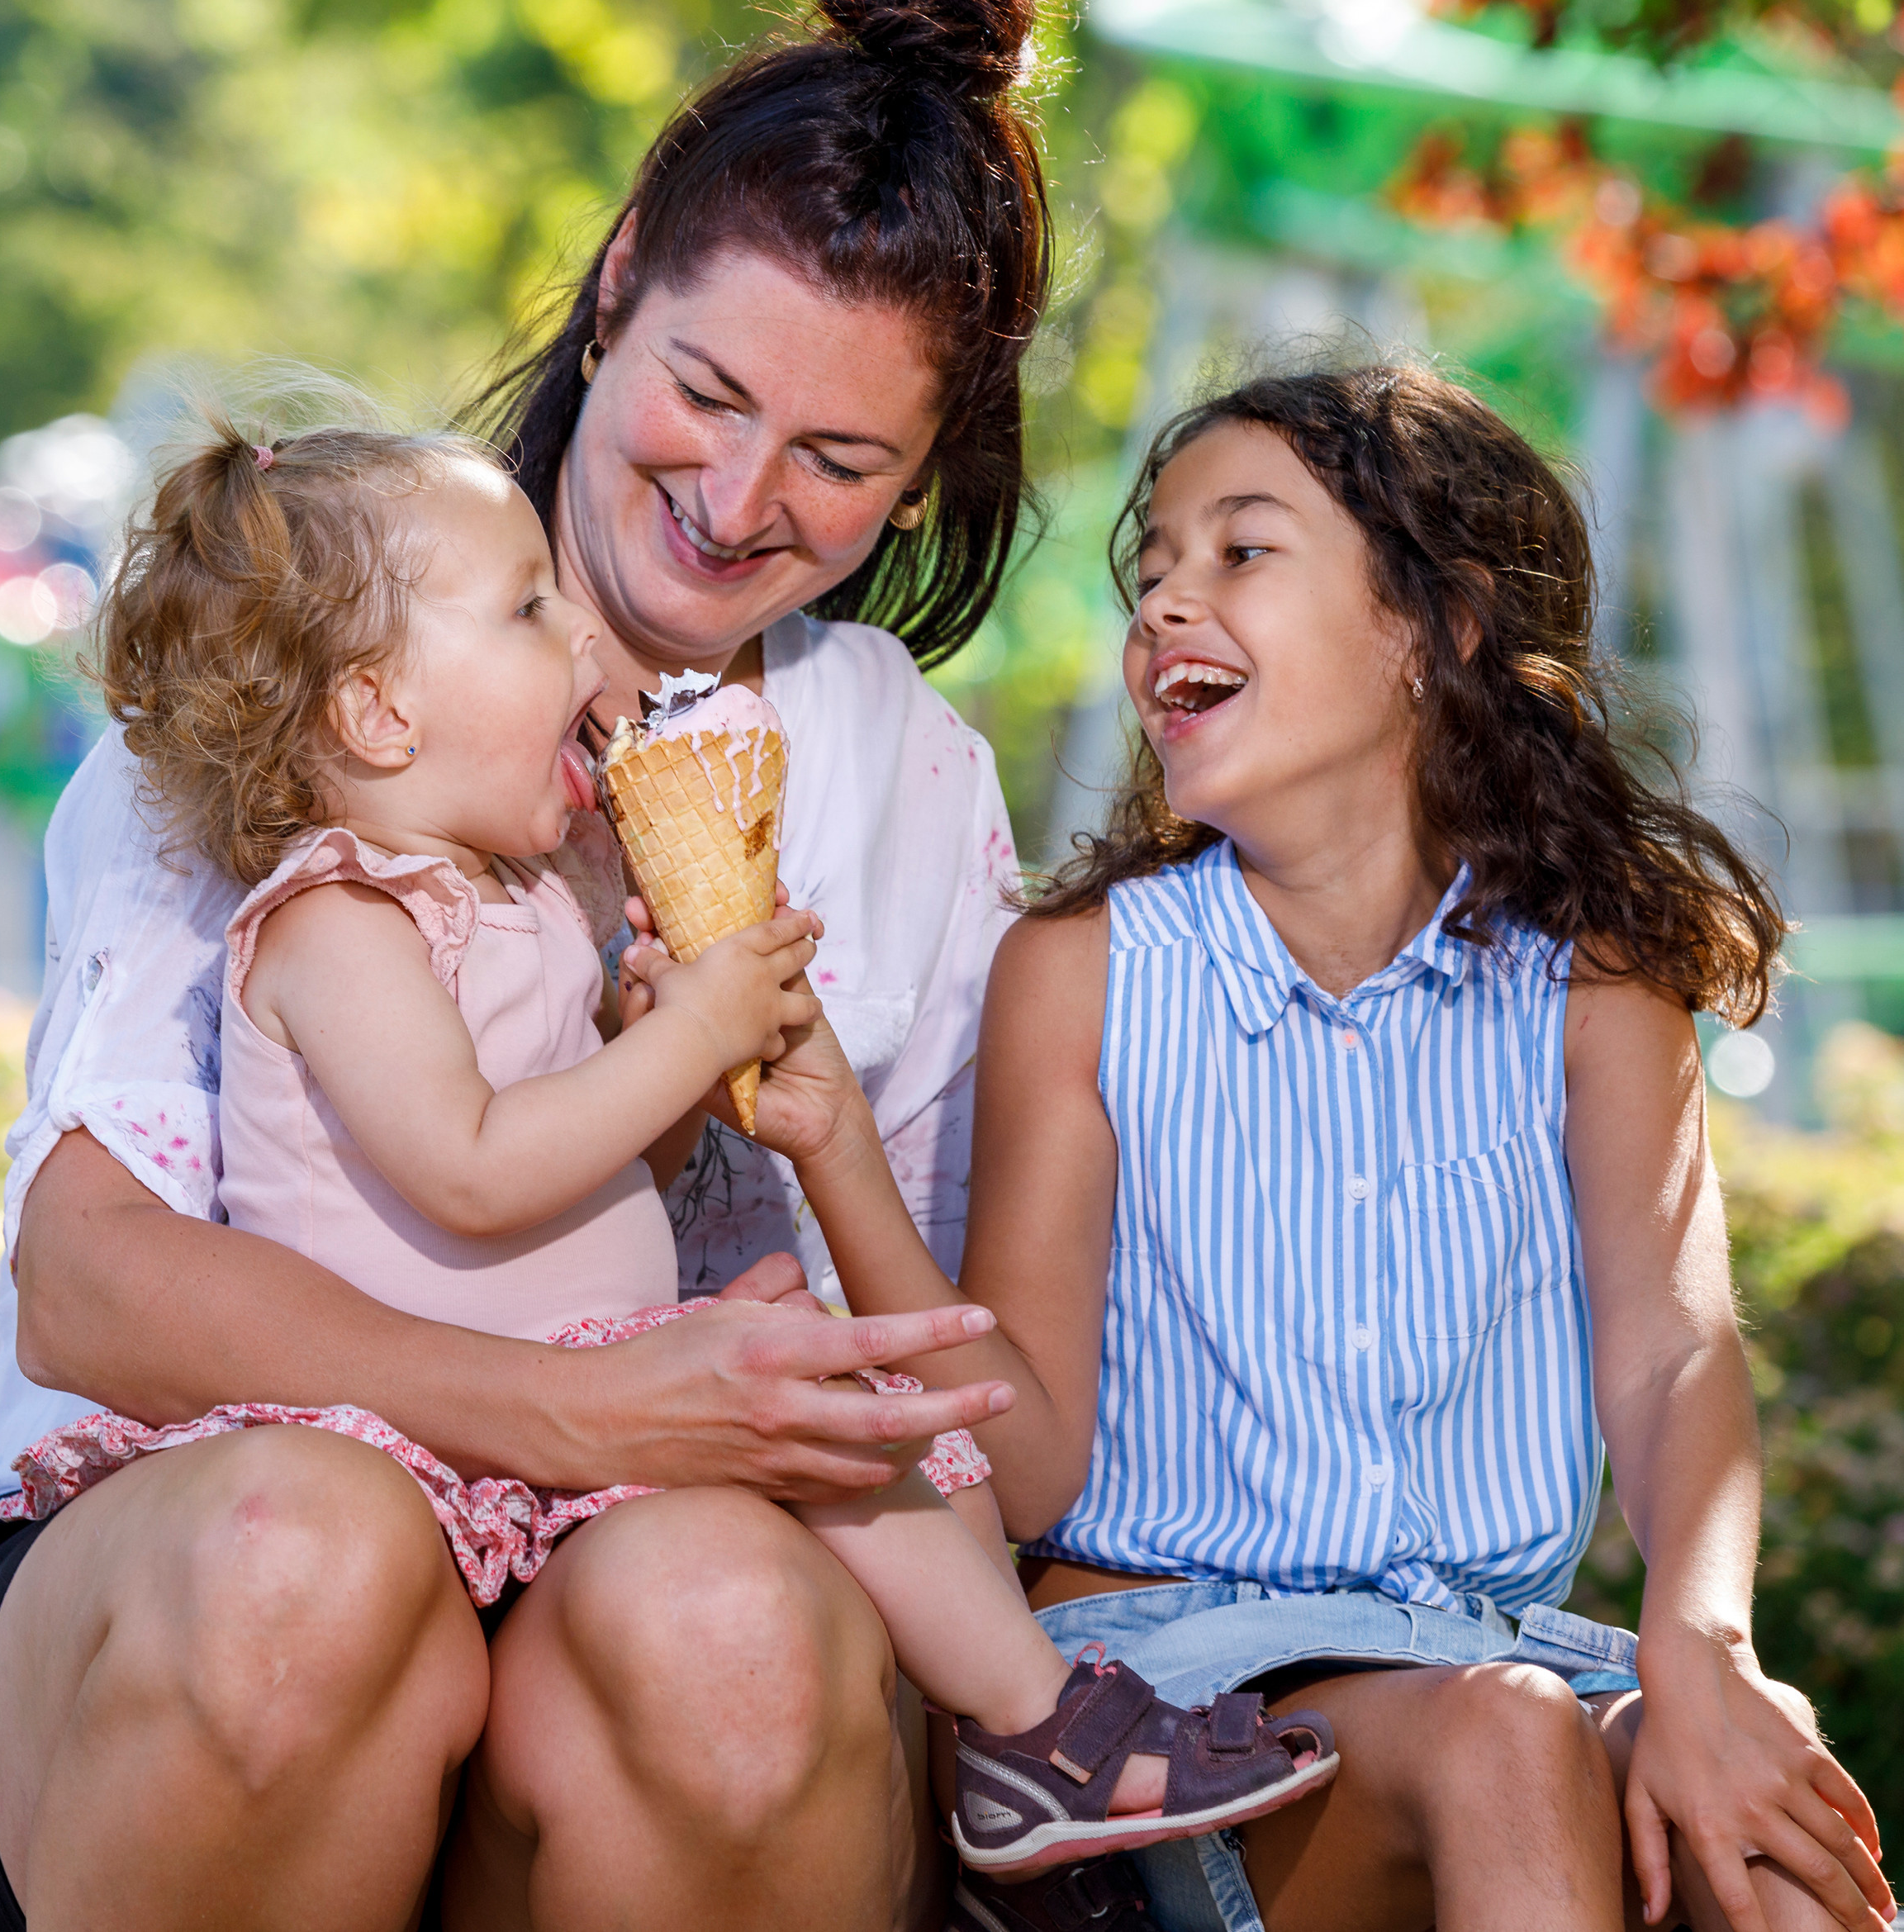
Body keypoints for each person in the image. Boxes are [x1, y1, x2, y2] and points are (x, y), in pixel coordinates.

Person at [0, 0, 1052, 1932]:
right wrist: (565, 1406)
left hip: (619, 1645)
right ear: (617, 284)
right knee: (302, 1557)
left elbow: (969, 1410)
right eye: (704, 392)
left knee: (731, 1622)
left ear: (925, 477)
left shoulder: (908, 782)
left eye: (839, 461)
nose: (735, 496)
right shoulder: (312, 645)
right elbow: (88, 1281)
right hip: (165, 1584)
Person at [0, 411, 1338, 1882]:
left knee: (875, 1430)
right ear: (379, 714)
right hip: (405, 1425)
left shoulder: (517, 895)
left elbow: (569, 1176)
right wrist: (685, 1040)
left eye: (842, 455)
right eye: (527, 609)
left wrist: (678, 1085)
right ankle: (1040, 1731)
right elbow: (472, 1167)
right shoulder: (338, 920)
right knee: (814, 1453)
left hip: (567, 1388)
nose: (583, 634)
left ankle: (1032, 1736)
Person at [794, 363, 1897, 1932]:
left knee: (1775, 1848)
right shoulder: (1084, 975)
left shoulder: (1596, 984)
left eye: (1241, 550)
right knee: (1509, 1741)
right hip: (1171, 1700)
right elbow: (1026, 1467)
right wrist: (831, 1137)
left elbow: (1674, 1355)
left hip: (1490, 1654)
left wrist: (1705, 1652)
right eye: (1154, 567)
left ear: (1438, 628)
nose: (1167, 599)